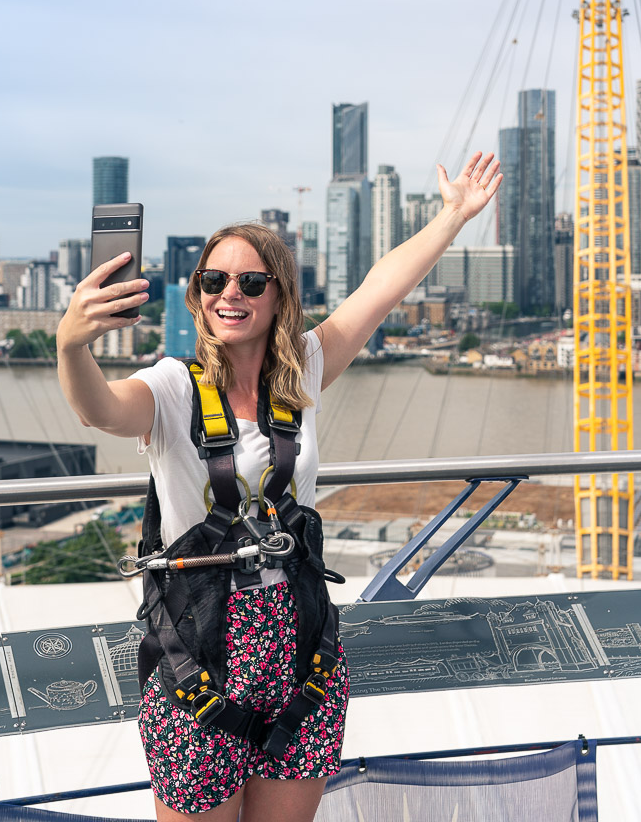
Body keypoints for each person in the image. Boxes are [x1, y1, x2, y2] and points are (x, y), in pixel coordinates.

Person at [57, 151, 501, 822]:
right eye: (213, 279)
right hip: (200, 659)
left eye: (251, 283)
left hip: (303, 656)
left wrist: (452, 217)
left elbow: (381, 288)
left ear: (279, 297)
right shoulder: (172, 388)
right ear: (198, 294)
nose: (229, 294)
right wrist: (70, 345)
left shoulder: (305, 374)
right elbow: (101, 411)